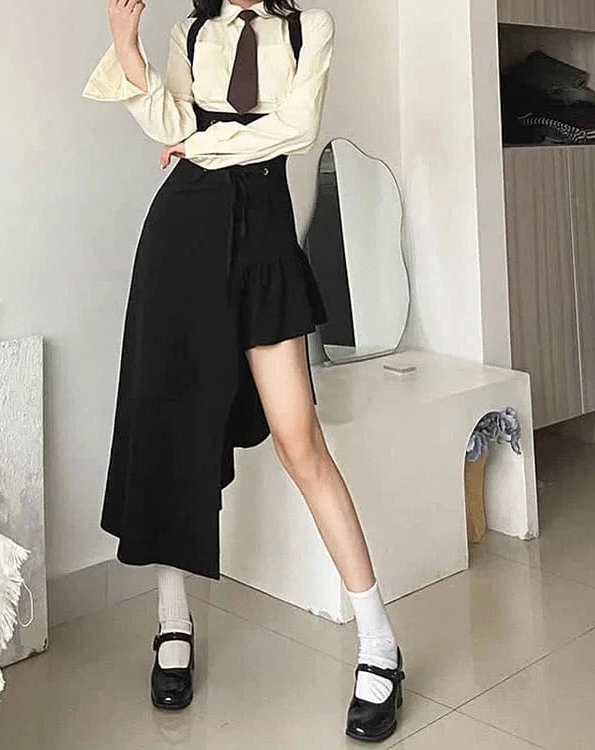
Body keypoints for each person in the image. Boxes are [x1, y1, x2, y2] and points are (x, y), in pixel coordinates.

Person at [82, 0, 405, 741]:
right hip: (183, 235)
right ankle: (172, 622)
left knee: (301, 442)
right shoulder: (191, 31)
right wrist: (126, 47)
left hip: (264, 240)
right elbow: (167, 123)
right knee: (172, 428)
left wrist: (203, 142)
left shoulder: (308, 27)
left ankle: (380, 643)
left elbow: (296, 127)